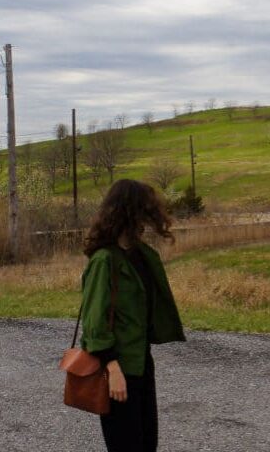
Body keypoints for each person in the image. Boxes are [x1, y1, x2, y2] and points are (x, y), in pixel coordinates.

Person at [80, 179, 186, 452]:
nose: (147, 217)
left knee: (147, 443)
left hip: (141, 363)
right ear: (128, 211)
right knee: (126, 446)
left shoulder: (142, 256)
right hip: (116, 368)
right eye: (142, 210)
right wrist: (112, 369)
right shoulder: (104, 260)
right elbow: (94, 324)